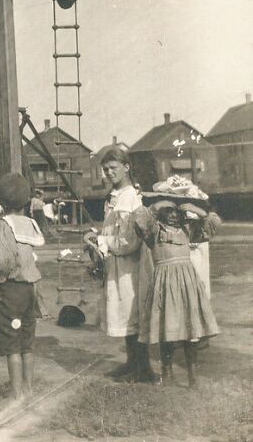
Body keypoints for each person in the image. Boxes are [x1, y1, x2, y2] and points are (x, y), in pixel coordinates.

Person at [135, 178, 219, 387]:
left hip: (186, 284)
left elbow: (213, 224)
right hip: (164, 284)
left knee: (190, 331)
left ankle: (192, 375)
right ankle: (167, 372)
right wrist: (156, 206)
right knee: (167, 330)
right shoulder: (154, 231)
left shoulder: (189, 229)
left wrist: (196, 209)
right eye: (168, 210)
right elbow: (138, 220)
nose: (173, 214)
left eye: (176, 210)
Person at [84, 147, 155, 382]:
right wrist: (98, 234)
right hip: (119, 265)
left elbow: (128, 241)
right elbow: (115, 230)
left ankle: (143, 369)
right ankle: (131, 362)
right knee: (125, 313)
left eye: (113, 168)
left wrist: (102, 240)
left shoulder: (129, 198)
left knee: (132, 313)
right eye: (105, 169)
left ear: (127, 167)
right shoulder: (116, 196)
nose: (108, 173)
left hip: (130, 267)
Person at [0, 172, 45, 404]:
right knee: (27, 342)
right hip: (30, 289)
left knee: (11, 342)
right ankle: (28, 388)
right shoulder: (30, 224)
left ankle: (15, 393)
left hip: (10, 290)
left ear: (2, 202)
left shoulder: (4, 225)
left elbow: (5, 260)